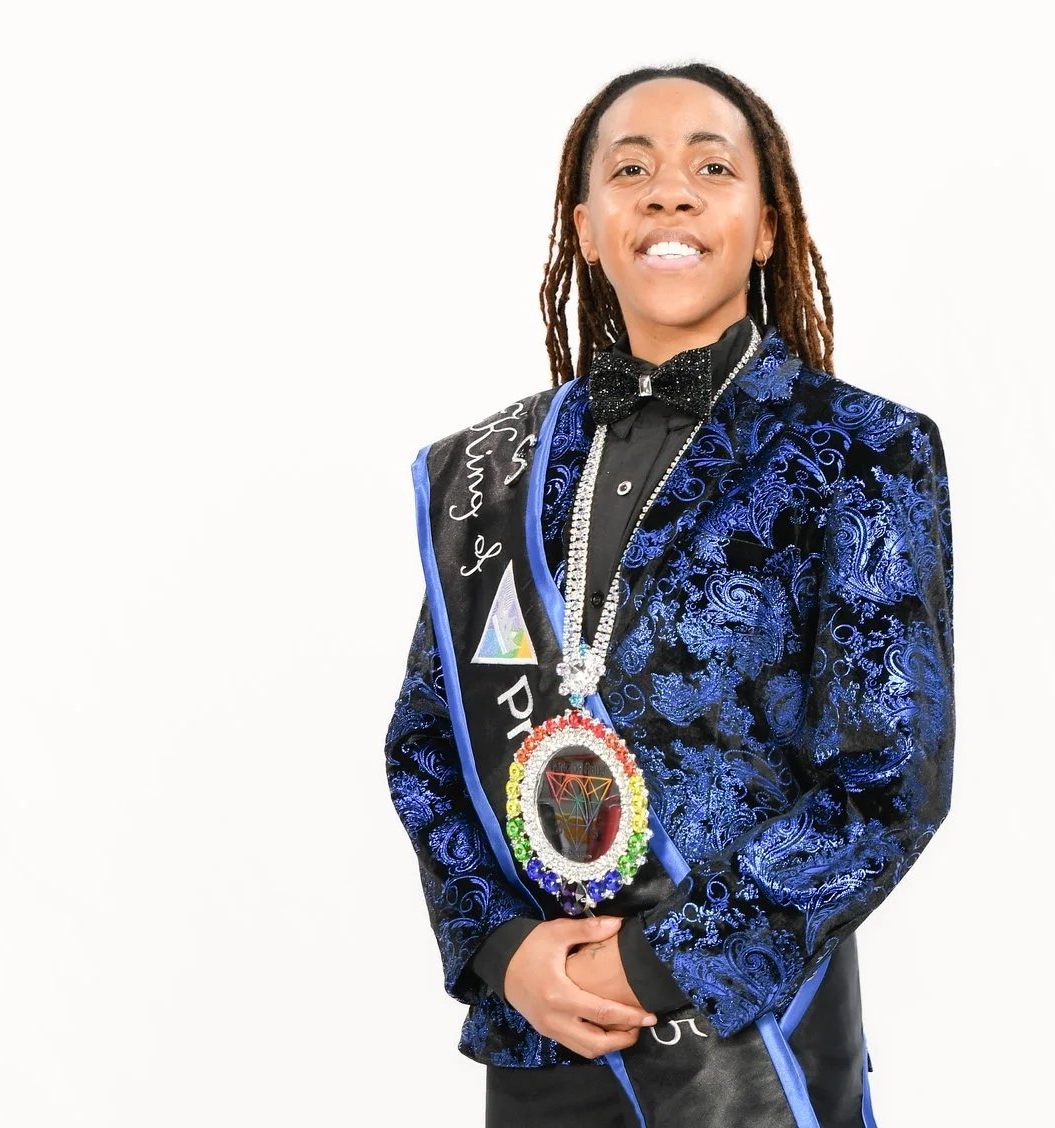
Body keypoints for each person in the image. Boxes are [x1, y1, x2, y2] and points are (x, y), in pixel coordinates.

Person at [384, 62, 955, 1128]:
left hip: (746, 1047)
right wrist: (506, 954)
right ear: (587, 225)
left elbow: (887, 781)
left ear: (769, 223)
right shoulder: (487, 472)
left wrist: (648, 965)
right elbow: (427, 748)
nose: (669, 192)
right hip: (543, 1051)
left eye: (713, 166)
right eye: (631, 168)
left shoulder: (865, 452)